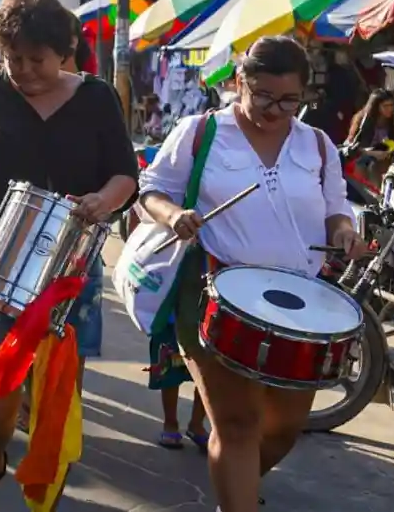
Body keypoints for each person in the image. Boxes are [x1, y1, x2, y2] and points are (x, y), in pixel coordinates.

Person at [137, 36, 366, 512]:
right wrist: (173, 215)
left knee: (283, 427)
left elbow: (336, 209)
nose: (276, 110)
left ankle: (233, 488)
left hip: (297, 305)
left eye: (290, 100)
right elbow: (152, 190)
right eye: (263, 96)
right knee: (236, 423)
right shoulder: (200, 131)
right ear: (239, 82)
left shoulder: (318, 144)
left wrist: (343, 231)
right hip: (213, 294)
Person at [0, 0, 139, 512]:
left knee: (56, 391)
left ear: (64, 50)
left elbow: (124, 175)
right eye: (12, 58)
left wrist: (102, 200)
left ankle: (43, 494)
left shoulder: (95, 98)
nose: (22, 70)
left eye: (35, 59)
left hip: (69, 265)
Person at [344, 88, 394, 184]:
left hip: (381, 162)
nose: (390, 109)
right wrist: (373, 153)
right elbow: (349, 147)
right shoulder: (362, 121)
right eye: (385, 106)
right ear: (376, 107)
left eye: (392, 105)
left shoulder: (391, 120)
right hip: (361, 161)